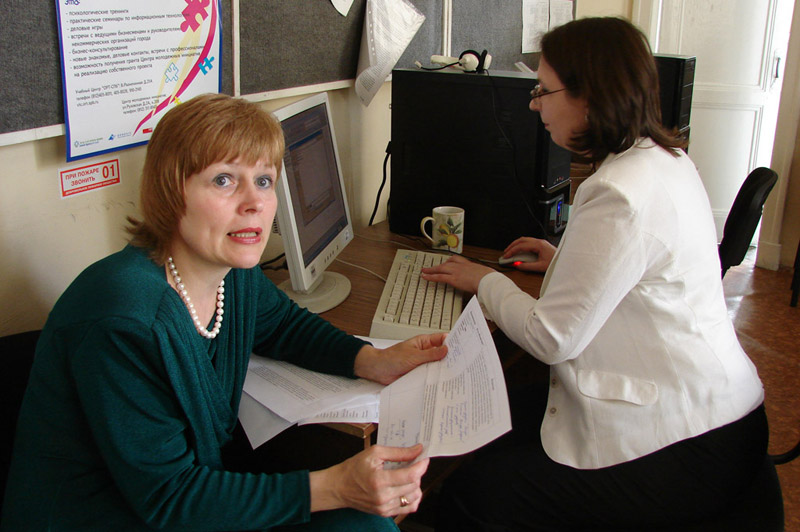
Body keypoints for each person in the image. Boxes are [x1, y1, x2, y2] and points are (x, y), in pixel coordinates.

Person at [1, 93, 448, 531]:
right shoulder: (123, 318)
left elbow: (283, 325)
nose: (255, 202)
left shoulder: (228, 271)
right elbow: (168, 499)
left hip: (186, 497)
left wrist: (372, 360)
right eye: (223, 180)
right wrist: (337, 486)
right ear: (169, 193)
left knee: (365, 525)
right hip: (105, 516)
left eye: (264, 180)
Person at [421, 17, 767, 530]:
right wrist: (563, 259)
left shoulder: (619, 191)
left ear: (589, 96)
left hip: (690, 442)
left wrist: (484, 280)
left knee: (476, 493)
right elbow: (637, 268)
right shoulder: (665, 158)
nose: (534, 104)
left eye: (543, 90)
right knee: (489, 412)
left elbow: (551, 339)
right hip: (722, 412)